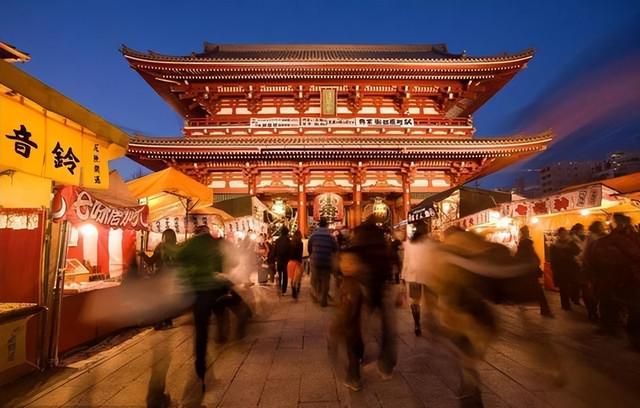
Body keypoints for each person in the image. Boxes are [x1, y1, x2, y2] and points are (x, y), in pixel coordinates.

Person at [176, 225, 251, 388]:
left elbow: (177, 258)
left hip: (198, 293)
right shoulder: (216, 243)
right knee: (223, 307)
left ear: (196, 233)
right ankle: (226, 333)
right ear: (208, 232)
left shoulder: (190, 244)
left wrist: (189, 274)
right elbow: (233, 261)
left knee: (201, 330)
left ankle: (200, 367)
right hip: (216, 287)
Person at [332, 217, 397, 391]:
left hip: (356, 289)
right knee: (386, 326)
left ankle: (354, 374)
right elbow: (390, 265)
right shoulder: (381, 243)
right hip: (378, 289)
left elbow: (342, 266)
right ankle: (386, 362)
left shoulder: (356, 242)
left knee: (352, 329)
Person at [588, 214, 640, 347]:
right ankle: (631, 337)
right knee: (632, 309)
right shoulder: (632, 238)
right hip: (628, 280)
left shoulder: (604, 241)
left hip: (615, 280)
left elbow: (592, 261)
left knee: (616, 306)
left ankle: (613, 329)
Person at [139, 228, 179, 329]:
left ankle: (160, 322)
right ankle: (167, 322)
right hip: (172, 278)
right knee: (167, 301)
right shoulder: (177, 248)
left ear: (164, 237)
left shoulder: (161, 247)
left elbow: (150, 261)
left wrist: (142, 254)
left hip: (161, 277)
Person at [514, 226, 552, 317]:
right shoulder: (526, 243)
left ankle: (523, 303)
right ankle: (544, 309)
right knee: (537, 290)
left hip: (526, 270)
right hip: (529, 270)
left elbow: (521, 257)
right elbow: (531, 256)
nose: (528, 232)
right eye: (526, 230)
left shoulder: (523, 243)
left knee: (529, 288)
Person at [308, 218, 338, 307]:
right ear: (326, 225)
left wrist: (312, 255)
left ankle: (315, 295)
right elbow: (336, 248)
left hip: (316, 261)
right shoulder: (330, 236)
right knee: (326, 281)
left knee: (314, 279)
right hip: (327, 261)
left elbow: (309, 247)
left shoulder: (313, 236)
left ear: (319, 225)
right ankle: (323, 300)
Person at [550, 227, 581, 311]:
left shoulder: (571, 243)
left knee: (575, 284)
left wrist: (567, 249)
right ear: (559, 234)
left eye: (565, 233)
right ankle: (565, 305)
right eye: (562, 233)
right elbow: (552, 259)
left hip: (572, 268)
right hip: (561, 269)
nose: (563, 235)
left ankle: (575, 299)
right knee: (563, 287)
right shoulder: (554, 245)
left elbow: (577, 250)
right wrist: (554, 269)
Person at [582, 221, 606, 322]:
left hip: (594, 268)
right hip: (592, 269)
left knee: (593, 292)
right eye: (601, 226)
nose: (603, 228)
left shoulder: (593, 237)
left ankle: (593, 312)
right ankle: (593, 312)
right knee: (592, 292)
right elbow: (588, 254)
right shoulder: (593, 238)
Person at [274, 227, 291, 295]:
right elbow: (290, 251)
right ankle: (284, 291)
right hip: (286, 261)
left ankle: (279, 289)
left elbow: (275, 251)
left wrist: (275, 258)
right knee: (285, 276)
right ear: (287, 233)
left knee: (280, 275)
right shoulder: (288, 240)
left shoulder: (277, 240)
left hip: (279, 261)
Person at [288, 230, 304, 299]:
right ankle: (297, 289)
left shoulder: (290, 243)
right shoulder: (301, 243)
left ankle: (293, 290)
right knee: (298, 278)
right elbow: (300, 254)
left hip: (291, 262)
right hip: (298, 262)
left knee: (292, 279)